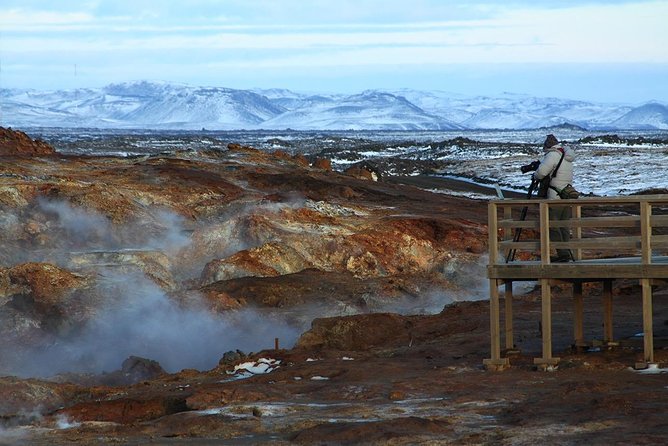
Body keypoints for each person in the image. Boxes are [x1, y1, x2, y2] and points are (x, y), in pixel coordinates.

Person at [532, 134, 576, 262]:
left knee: (553, 226)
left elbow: (541, 173)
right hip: (566, 194)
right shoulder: (566, 156)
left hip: (554, 195)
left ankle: (563, 254)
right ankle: (566, 253)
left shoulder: (553, 155)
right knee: (564, 226)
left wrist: (535, 175)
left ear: (548, 146)